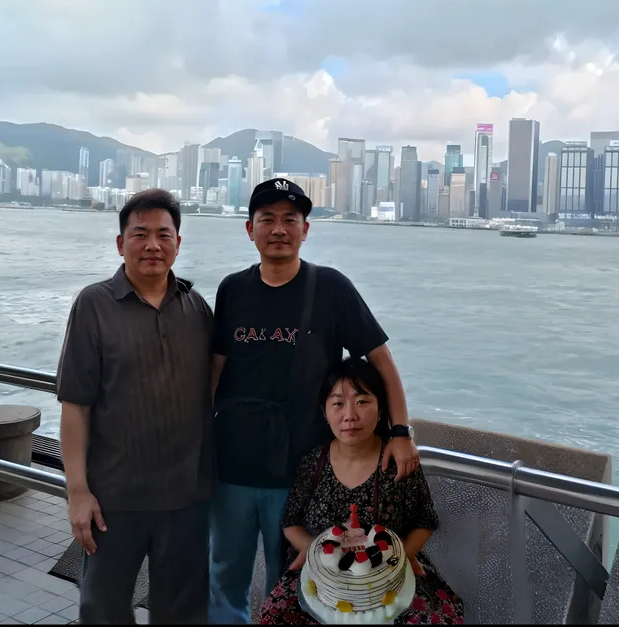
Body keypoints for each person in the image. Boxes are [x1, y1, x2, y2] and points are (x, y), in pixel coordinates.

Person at [209, 178, 420, 624]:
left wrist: (400, 433)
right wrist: (195, 441)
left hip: (302, 472)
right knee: (224, 575)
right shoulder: (232, 290)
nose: (279, 229)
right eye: (268, 219)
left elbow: (381, 362)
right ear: (250, 229)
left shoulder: (331, 288)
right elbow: (214, 371)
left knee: (293, 581)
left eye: (291, 219)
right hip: (233, 466)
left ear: (306, 230)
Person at [56, 188, 214, 624]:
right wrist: (77, 492)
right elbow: (75, 406)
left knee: (182, 612)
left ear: (178, 244)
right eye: (139, 234)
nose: (152, 245)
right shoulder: (94, 305)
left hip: (187, 497)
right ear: (120, 243)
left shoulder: (196, 308)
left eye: (164, 235)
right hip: (113, 498)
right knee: (104, 609)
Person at [258, 357, 463, 625]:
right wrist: (320, 561)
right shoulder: (313, 462)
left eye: (362, 401)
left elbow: (425, 521)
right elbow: (290, 523)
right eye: (338, 403)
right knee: (275, 616)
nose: (350, 415)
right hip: (322, 582)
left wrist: (398, 561)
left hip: (390, 579)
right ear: (325, 412)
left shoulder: (397, 461)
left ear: (380, 411)